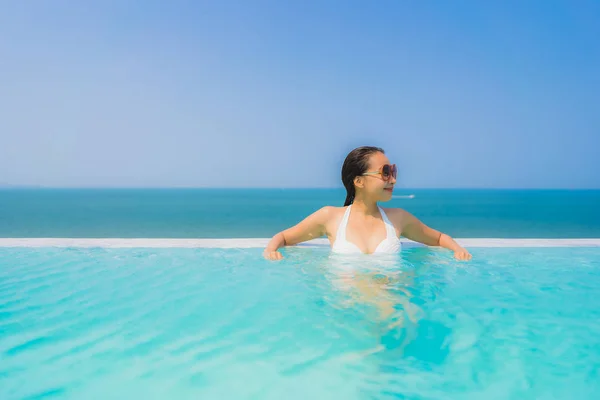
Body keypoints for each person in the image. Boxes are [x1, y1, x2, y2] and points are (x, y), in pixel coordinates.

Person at [263, 146, 472, 261]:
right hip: (347, 312)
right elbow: (283, 237)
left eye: (393, 171)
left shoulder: (398, 218)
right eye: (385, 172)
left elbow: (437, 238)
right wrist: (271, 251)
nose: (393, 180)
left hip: (391, 309)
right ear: (359, 181)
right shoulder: (329, 217)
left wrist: (457, 250)